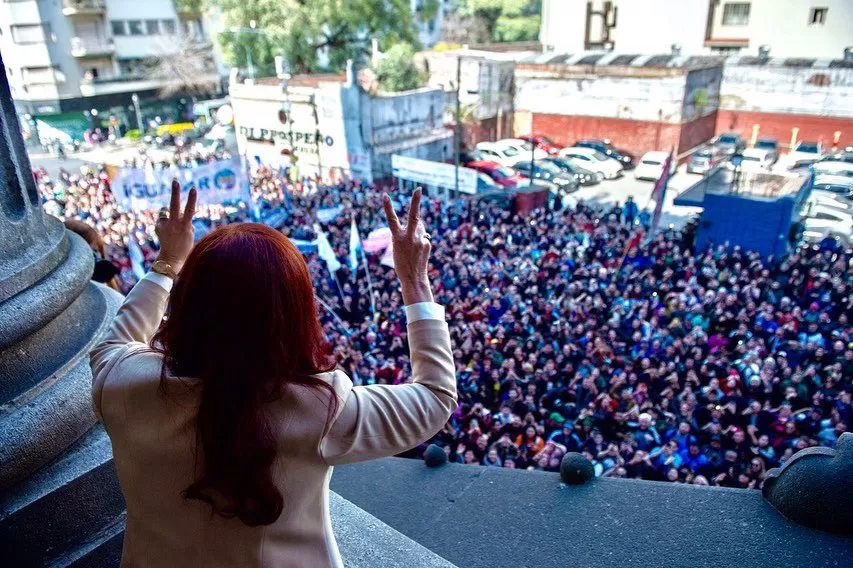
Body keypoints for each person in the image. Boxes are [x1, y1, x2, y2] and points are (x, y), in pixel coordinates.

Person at [90, 184, 456, 566]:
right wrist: (415, 282)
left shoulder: (120, 380)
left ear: (187, 304)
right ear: (292, 316)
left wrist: (167, 263)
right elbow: (435, 397)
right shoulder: (319, 407)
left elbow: (116, 340)